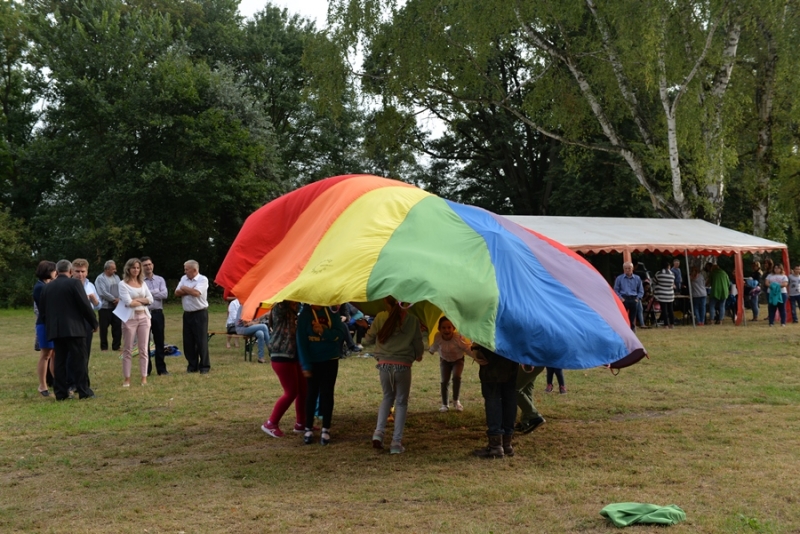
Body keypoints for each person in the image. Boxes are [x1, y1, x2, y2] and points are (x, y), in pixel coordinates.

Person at [364, 297, 423, 454]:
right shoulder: (412, 320)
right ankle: (396, 442)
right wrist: (418, 354)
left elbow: (368, 339)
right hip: (403, 366)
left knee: (387, 397)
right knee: (401, 402)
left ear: (386, 301)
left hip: (384, 365)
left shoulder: (380, 317)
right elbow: (418, 343)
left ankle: (378, 432)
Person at [38, 259, 98, 400]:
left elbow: (43, 311)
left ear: (57, 271)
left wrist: (50, 325)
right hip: (74, 328)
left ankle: (61, 393)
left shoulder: (47, 287)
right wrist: (94, 323)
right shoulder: (74, 283)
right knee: (79, 360)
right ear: (70, 271)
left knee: (60, 361)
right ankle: (83, 391)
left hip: (56, 329)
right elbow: (84, 305)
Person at [297, 304, 344, 446]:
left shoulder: (331, 312)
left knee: (327, 393)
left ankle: (326, 429)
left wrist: (324, 331)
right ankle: (308, 428)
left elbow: (340, 334)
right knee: (311, 394)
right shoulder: (305, 315)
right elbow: (301, 342)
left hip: (330, 359)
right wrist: (305, 365)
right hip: (313, 361)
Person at [260, 301, 305, 438]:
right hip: (282, 353)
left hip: (294, 353)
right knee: (291, 392)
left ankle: (301, 423)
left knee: (304, 389)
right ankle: (271, 423)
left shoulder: (296, 306)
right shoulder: (281, 305)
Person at [471, 344, 518, 459]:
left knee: (493, 397)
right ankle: (506, 444)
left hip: (492, 351)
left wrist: (475, 348)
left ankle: (496, 446)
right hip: (513, 352)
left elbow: (483, 332)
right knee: (509, 397)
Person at [118, 258, 154, 387]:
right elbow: (129, 302)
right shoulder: (122, 284)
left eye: (138, 268)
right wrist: (143, 300)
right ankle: (127, 378)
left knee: (144, 349)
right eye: (133, 267)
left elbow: (151, 299)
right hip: (130, 318)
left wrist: (138, 300)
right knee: (128, 349)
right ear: (128, 269)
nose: (136, 270)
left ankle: (144, 377)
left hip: (144, 317)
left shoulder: (142, 283)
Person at [428, 316, 470, 412]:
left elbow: (466, 348)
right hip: (444, 361)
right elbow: (435, 345)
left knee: (456, 377)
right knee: (444, 381)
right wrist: (431, 351)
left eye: (449, 327)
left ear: (453, 328)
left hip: (458, 360)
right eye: (443, 328)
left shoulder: (458, 338)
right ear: (439, 329)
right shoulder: (438, 336)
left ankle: (456, 401)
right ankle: (445, 404)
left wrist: (476, 357)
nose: (446, 330)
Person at [71, 259, 102, 389]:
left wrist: (94, 299)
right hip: (73, 320)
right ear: (72, 271)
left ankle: (83, 380)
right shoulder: (69, 285)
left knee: (85, 351)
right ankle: (72, 382)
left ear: (87, 272)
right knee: (73, 352)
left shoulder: (91, 285)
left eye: (82, 271)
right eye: (77, 271)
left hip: (87, 320)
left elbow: (98, 305)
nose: (80, 274)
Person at [175, 260, 210, 374]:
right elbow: (176, 293)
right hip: (187, 314)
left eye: (187, 269)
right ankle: (192, 365)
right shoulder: (184, 278)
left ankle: (204, 366)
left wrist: (184, 288)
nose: (185, 271)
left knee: (201, 340)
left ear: (194, 270)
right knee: (188, 341)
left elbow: (196, 293)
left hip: (200, 313)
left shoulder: (203, 279)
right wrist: (190, 289)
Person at [141, 257, 169, 375]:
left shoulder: (160, 279)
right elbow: (140, 296)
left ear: (152, 265)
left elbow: (165, 294)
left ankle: (161, 369)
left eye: (149, 264)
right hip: (144, 313)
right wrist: (156, 292)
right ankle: (146, 369)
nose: (148, 267)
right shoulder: (139, 281)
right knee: (145, 342)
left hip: (157, 313)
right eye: (145, 265)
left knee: (159, 341)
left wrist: (148, 295)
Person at [33, 261, 57, 397]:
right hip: (44, 324)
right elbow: (45, 307)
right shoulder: (40, 287)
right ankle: (42, 386)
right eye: (54, 270)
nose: (56, 273)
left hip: (52, 323)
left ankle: (58, 383)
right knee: (46, 354)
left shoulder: (47, 285)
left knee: (54, 354)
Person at [95, 260, 121, 352]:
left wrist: (119, 299)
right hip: (104, 307)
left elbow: (121, 288)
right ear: (107, 269)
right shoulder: (100, 278)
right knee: (104, 328)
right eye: (113, 269)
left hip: (116, 306)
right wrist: (114, 299)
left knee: (117, 326)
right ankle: (104, 347)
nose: (115, 270)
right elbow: (102, 292)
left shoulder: (116, 277)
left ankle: (116, 346)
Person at [234, 299, 270, 364]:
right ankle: (271, 349)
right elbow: (246, 324)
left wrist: (264, 315)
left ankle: (261, 358)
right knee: (264, 326)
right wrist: (255, 323)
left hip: (250, 327)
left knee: (260, 333)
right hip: (242, 328)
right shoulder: (244, 307)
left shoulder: (254, 307)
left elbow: (257, 320)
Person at [515, 364, 546, 434]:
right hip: (536, 362)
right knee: (526, 388)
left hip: (529, 362)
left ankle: (534, 416)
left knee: (514, 389)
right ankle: (527, 421)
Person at [613, 262, 644, 331]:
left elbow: (641, 290)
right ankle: (623, 330)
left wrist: (637, 299)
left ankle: (632, 331)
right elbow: (616, 290)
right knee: (622, 316)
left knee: (632, 317)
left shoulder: (637, 278)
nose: (627, 270)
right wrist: (621, 298)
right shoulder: (619, 278)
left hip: (634, 298)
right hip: (624, 298)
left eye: (629, 268)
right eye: (626, 268)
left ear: (632, 268)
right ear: (623, 269)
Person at [654, 260, 676, 328]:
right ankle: (672, 324)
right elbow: (672, 283)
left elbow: (654, 281)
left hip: (662, 295)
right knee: (670, 309)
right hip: (670, 294)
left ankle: (666, 324)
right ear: (668, 266)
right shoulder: (672, 274)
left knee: (664, 310)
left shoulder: (659, 273)